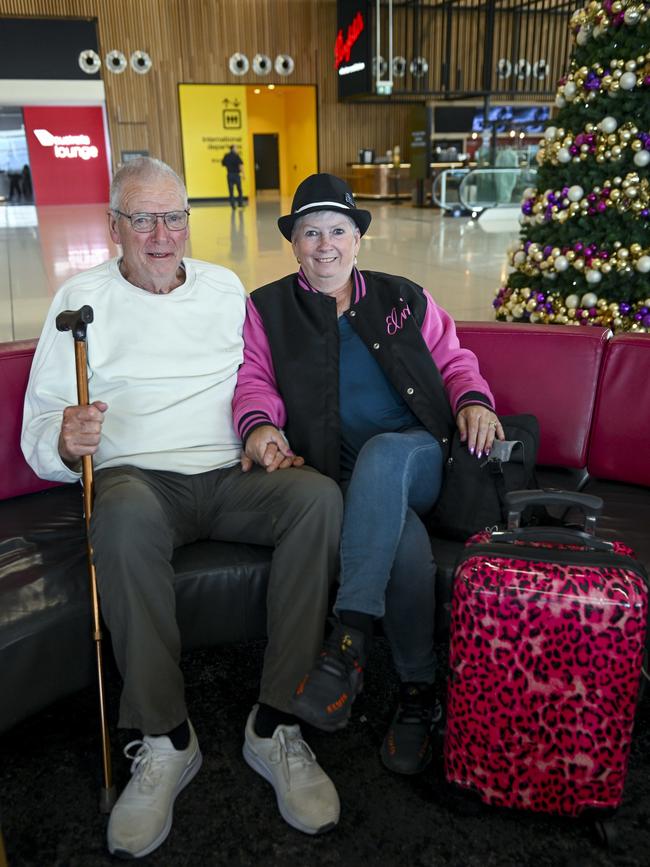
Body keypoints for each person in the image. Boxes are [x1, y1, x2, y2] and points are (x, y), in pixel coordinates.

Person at [21, 158, 343, 858]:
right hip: (140, 481)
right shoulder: (80, 299)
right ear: (115, 227)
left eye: (174, 217)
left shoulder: (226, 289)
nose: (162, 235)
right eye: (143, 219)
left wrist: (264, 430)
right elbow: (39, 430)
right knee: (125, 512)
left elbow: (258, 378)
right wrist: (62, 436)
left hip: (231, 475)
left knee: (317, 498)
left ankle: (278, 722)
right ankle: (166, 738)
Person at [233, 172, 504, 777]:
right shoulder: (268, 309)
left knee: (386, 454)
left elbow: (455, 359)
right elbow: (254, 379)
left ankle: (347, 641)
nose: (324, 245)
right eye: (311, 233)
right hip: (343, 481)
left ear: (357, 239)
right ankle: (416, 696)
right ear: (294, 242)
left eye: (337, 230)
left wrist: (474, 400)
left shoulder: (401, 295)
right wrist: (259, 425)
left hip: (421, 455)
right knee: (403, 543)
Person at [221, 144, 244, 209]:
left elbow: (223, 163)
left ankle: (233, 205)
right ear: (233, 149)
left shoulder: (226, 156)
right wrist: (243, 174)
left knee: (231, 190)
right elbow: (240, 165)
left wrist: (229, 165)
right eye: (236, 148)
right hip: (236, 175)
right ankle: (240, 204)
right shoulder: (237, 156)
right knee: (239, 190)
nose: (237, 149)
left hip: (230, 174)